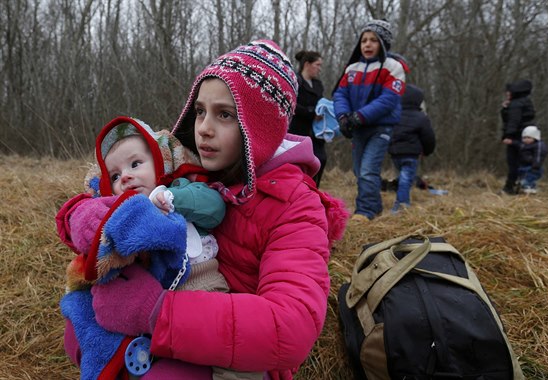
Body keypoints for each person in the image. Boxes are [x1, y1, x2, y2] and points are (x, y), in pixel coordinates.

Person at [57, 40, 349, 379]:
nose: (204, 128)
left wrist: (155, 312)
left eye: (224, 114)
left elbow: (290, 326)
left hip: (238, 363)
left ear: (260, 128)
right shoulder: (199, 169)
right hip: (174, 322)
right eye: (199, 111)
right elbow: (113, 185)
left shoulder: (296, 205)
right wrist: (80, 215)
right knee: (80, 330)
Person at [333, 19, 407, 220]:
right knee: (359, 171)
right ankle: (375, 208)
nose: (367, 44)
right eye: (364, 40)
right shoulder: (352, 69)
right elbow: (340, 94)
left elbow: (388, 99)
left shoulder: (393, 67)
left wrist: (360, 116)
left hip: (380, 128)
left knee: (368, 170)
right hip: (358, 128)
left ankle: (364, 211)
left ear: (383, 43)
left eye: (373, 40)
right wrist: (343, 117)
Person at [388, 84, 435, 213]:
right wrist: (427, 150)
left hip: (395, 154)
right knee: (405, 179)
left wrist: (390, 148)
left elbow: (388, 133)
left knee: (403, 178)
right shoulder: (421, 117)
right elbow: (429, 137)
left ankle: (402, 202)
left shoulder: (393, 116)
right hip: (411, 154)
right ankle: (401, 206)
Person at [288, 50, 327, 187]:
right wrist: (311, 113)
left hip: (316, 132)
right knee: (300, 165)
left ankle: (314, 190)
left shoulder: (318, 84)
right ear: (307, 64)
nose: (319, 69)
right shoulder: (295, 81)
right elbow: (292, 104)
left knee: (321, 159)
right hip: (299, 130)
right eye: (317, 65)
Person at [500, 79, 536, 194]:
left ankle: (510, 187)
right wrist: (505, 109)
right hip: (525, 136)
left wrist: (508, 136)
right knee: (524, 163)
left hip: (516, 137)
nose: (507, 93)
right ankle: (524, 185)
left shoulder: (516, 105)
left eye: (509, 92)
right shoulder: (525, 102)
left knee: (513, 163)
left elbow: (513, 121)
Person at [509, 125, 548, 194]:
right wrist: (512, 142)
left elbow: (539, 156)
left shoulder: (539, 145)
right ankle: (526, 189)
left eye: (529, 138)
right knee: (522, 179)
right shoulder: (524, 145)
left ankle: (529, 190)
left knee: (527, 180)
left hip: (533, 168)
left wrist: (536, 166)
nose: (526, 139)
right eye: (524, 138)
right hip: (523, 166)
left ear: (535, 137)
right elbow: (518, 144)